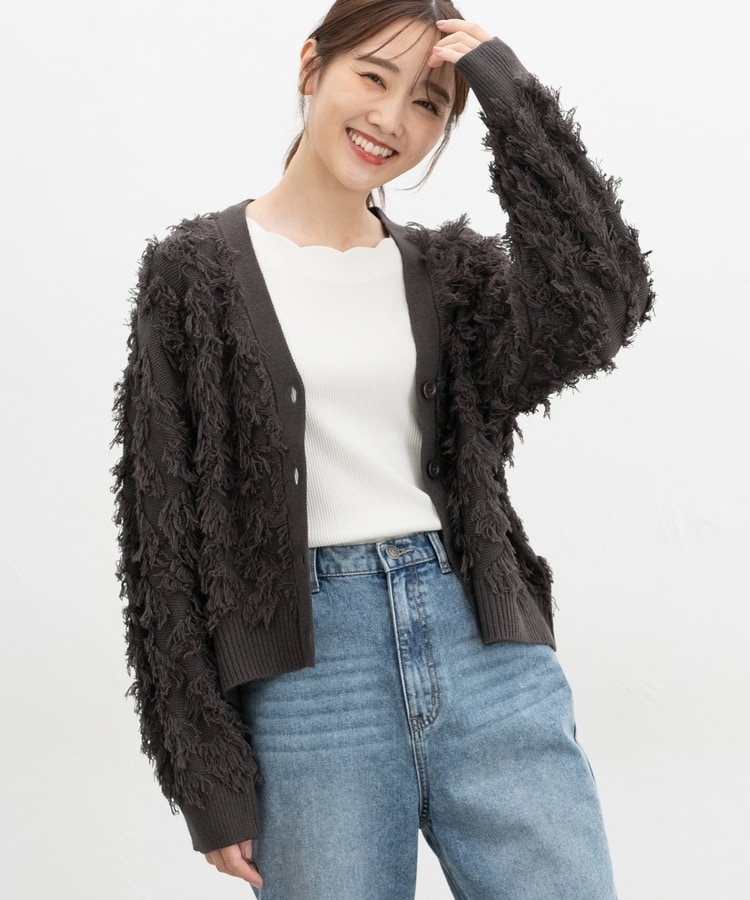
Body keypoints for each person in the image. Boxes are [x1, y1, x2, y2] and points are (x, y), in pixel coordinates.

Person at [113, 1, 653, 897]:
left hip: (487, 653)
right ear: (310, 66)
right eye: (372, 76)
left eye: (429, 103)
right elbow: (158, 537)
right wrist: (206, 775)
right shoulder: (194, 274)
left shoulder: (454, 276)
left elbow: (602, 303)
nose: (391, 118)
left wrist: (510, 96)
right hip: (310, 684)